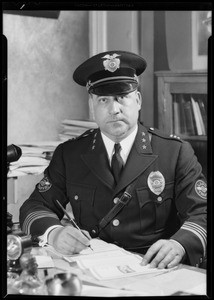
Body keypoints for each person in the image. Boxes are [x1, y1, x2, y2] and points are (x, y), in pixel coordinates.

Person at [20, 50, 207, 269]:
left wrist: (179, 244)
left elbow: (201, 212)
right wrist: (55, 233)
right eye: (103, 100)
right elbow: (33, 207)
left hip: (154, 268)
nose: (114, 109)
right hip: (92, 269)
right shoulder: (69, 154)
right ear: (92, 107)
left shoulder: (174, 152)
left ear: (137, 100)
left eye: (122, 97)